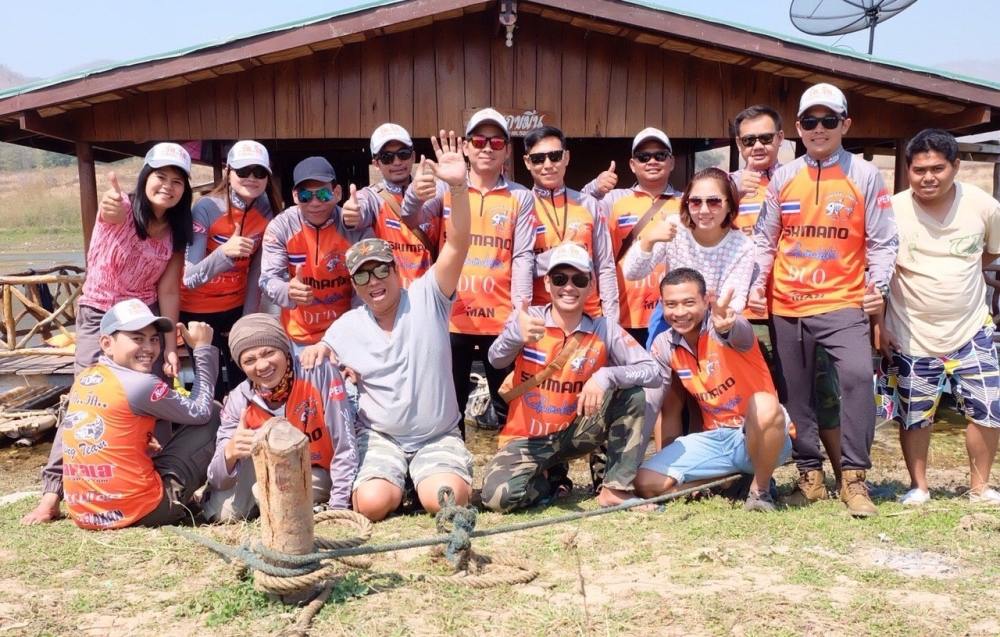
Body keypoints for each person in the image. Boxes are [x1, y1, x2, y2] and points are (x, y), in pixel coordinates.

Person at [301, 132, 473, 522]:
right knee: (372, 505)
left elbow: (458, 242)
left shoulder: (429, 296)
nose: (374, 282)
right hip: (381, 438)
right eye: (362, 277)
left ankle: (427, 478)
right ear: (354, 285)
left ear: (396, 270)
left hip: (436, 435)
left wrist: (458, 186)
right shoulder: (346, 327)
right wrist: (315, 352)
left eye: (381, 270)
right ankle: (396, 481)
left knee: (446, 500)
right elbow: (319, 356)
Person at [21, 143, 194, 525]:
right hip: (100, 315)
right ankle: (52, 496)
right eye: (160, 177)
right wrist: (108, 207)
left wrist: (169, 347)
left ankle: (150, 483)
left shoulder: (175, 232)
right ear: (146, 177)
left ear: (186, 190)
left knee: (154, 395)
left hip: (144, 320)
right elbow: (108, 210)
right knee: (83, 400)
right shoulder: (119, 210)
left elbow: (168, 290)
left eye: (177, 181)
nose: (168, 186)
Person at [752, 82, 898, 517]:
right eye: (810, 121)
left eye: (828, 120)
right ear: (797, 128)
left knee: (855, 379)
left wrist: (879, 287)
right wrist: (756, 288)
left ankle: (854, 478)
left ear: (845, 124)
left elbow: (885, 241)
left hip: (842, 300)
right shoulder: (783, 176)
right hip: (788, 303)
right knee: (797, 395)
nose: (819, 129)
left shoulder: (865, 174)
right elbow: (765, 238)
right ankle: (809, 476)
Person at [480, 242, 659, 512]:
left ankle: (614, 487)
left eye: (579, 279)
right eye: (560, 279)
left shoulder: (603, 328)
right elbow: (495, 359)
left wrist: (606, 375)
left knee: (632, 394)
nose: (569, 287)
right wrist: (515, 335)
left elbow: (653, 371)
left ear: (590, 285)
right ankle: (550, 481)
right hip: (527, 437)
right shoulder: (529, 320)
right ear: (548, 283)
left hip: (577, 430)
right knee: (497, 498)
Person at [877, 128, 1000, 506]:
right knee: (915, 415)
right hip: (911, 332)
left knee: (988, 407)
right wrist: (878, 327)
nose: (928, 177)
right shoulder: (892, 210)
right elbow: (879, 272)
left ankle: (980, 487)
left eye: (937, 168)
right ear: (908, 172)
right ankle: (919, 486)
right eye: (919, 170)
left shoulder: (983, 207)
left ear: (955, 167)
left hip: (971, 328)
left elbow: (989, 254)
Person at [403, 108, 535, 434]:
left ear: (506, 149)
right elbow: (411, 218)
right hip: (452, 318)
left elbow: (522, 256)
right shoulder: (445, 188)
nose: (486, 147)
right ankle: (453, 476)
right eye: (478, 140)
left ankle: (515, 478)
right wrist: (414, 191)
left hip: (500, 320)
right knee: (450, 406)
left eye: (495, 141)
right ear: (466, 147)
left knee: (509, 403)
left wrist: (520, 309)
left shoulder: (521, 196)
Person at [731, 105, 843, 488]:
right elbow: (697, 229)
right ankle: (764, 474)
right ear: (739, 143)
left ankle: (846, 474)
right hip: (746, 314)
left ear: (782, 139)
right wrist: (730, 195)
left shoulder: (804, 177)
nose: (758, 145)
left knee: (819, 393)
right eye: (749, 140)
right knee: (755, 398)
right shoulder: (724, 187)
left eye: (766, 137)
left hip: (800, 305)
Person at [636, 268, 793, 512]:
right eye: (671, 304)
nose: (679, 313)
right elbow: (658, 405)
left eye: (689, 303)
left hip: (757, 434)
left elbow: (736, 330)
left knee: (764, 403)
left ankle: (760, 491)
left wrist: (725, 327)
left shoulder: (728, 326)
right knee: (646, 483)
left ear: (706, 300)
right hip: (716, 439)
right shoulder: (663, 345)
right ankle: (726, 481)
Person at [57, 300, 218, 529]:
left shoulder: (85, 377)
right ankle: (221, 494)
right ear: (106, 343)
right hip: (142, 510)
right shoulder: (141, 384)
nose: (149, 348)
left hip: (85, 514)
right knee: (214, 412)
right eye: (137, 338)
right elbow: (201, 412)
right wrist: (203, 348)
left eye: (154, 339)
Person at [202, 314, 357, 522]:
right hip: (264, 470)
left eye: (269, 352)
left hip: (317, 470)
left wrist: (338, 507)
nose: (262, 365)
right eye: (249, 360)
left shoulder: (318, 372)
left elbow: (345, 446)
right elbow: (217, 477)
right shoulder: (239, 398)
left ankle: (288, 507)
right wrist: (229, 453)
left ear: (285, 350)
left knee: (266, 493)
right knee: (225, 513)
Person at [180, 140, 283, 396]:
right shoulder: (207, 207)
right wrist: (224, 252)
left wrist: (247, 321)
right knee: (210, 385)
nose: (251, 177)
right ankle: (211, 436)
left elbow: (256, 273)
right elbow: (189, 276)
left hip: (237, 308)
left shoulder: (268, 210)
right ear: (228, 172)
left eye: (259, 172)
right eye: (243, 170)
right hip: (198, 310)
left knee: (246, 380)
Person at [626, 167, 755, 349]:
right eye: (695, 202)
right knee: (658, 375)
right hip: (670, 318)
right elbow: (632, 273)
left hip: (713, 321)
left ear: (730, 205)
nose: (703, 210)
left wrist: (720, 316)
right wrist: (648, 241)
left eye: (714, 202)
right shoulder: (674, 227)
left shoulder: (742, 246)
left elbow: (734, 300)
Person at [583, 127, 682, 346]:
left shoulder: (689, 203)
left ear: (672, 162)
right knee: (628, 379)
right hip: (626, 312)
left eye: (660, 155)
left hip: (676, 313)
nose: (652, 161)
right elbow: (577, 210)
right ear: (632, 165)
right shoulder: (612, 200)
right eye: (643, 157)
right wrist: (595, 189)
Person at [259, 156, 371, 347]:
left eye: (323, 195)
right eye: (305, 196)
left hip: (345, 335)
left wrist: (354, 332)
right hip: (297, 337)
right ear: (295, 196)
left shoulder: (355, 225)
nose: (315, 203)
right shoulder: (281, 226)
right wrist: (287, 290)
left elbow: (367, 282)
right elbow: (268, 279)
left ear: (337, 193)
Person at [523, 125, 618, 324]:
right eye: (538, 159)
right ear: (527, 163)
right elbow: (516, 268)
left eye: (555, 156)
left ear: (566, 157)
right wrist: (558, 254)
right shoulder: (521, 206)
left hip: (589, 316)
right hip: (541, 319)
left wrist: (611, 321)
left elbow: (605, 266)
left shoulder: (589, 204)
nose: (547, 165)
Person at [343, 123, 440, 287]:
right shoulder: (372, 197)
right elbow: (359, 208)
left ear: (413, 156)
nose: (397, 162)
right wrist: (351, 216)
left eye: (403, 154)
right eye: (387, 157)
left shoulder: (433, 193)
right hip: (392, 298)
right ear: (376, 163)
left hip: (429, 293)